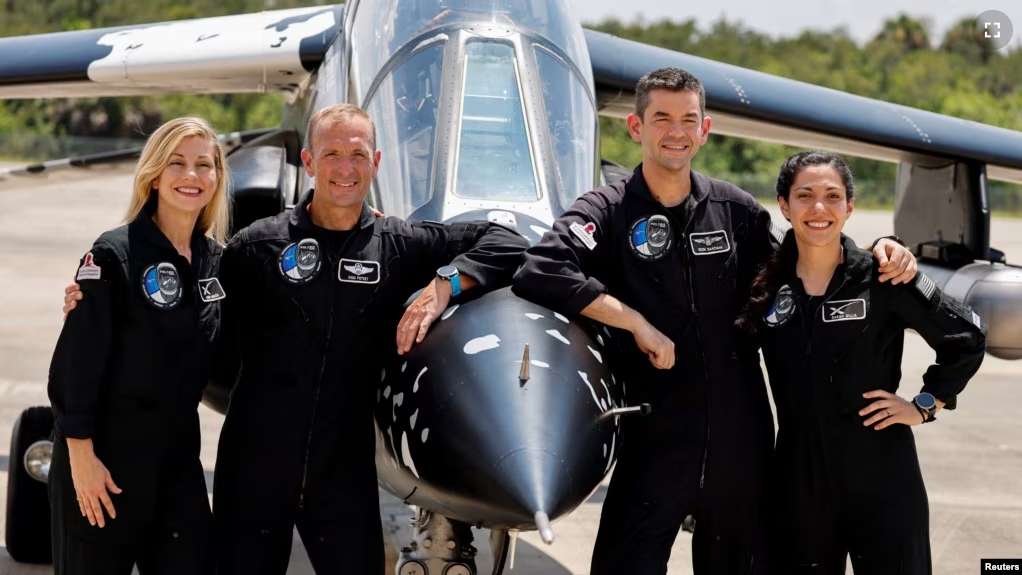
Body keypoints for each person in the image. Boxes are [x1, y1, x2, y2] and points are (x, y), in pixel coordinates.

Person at [510, 68, 918, 575]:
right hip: (653, 439)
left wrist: (877, 249)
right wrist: (633, 321)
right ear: (636, 128)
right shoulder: (607, 210)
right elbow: (541, 268)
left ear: (705, 130)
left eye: (688, 119)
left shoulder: (736, 211)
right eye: (661, 118)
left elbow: (803, 263)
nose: (676, 131)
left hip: (740, 446)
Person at [210, 104, 527, 574]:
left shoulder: (398, 244)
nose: (345, 168)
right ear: (309, 162)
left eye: (357, 154)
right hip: (253, 469)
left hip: (341, 475)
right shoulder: (257, 247)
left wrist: (444, 285)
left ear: (375, 162)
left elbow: (507, 242)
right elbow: (193, 310)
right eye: (331, 153)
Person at [735, 151, 986, 574]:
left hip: (883, 477)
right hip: (799, 481)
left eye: (833, 196)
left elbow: (967, 336)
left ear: (849, 206)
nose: (819, 208)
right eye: (805, 195)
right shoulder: (766, 286)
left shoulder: (883, 275)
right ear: (784, 205)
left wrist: (925, 405)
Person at [47, 117, 230, 574]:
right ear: (153, 173)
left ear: (217, 177)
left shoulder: (217, 264)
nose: (192, 176)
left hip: (177, 463)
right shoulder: (114, 254)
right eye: (177, 163)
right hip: (104, 461)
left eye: (203, 165)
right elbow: (76, 365)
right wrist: (82, 458)